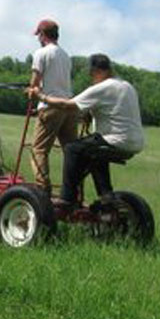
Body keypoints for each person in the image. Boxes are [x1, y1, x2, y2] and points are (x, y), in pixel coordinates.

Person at [31, 53, 145, 209]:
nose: (91, 77)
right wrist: (89, 115)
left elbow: (67, 105)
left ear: (97, 71)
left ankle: (67, 198)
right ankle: (107, 196)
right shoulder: (127, 86)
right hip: (135, 142)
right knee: (95, 153)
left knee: (72, 149)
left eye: (91, 74)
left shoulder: (102, 87)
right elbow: (112, 109)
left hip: (116, 139)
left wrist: (41, 96)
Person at [26, 18, 77, 192]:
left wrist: (31, 92)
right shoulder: (65, 55)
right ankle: (72, 191)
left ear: (42, 34)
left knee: (38, 150)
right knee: (70, 151)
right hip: (69, 108)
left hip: (50, 107)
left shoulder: (41, 53)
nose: (38, 39)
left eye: (38, 35)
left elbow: (35, 82)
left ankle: (43, 190)